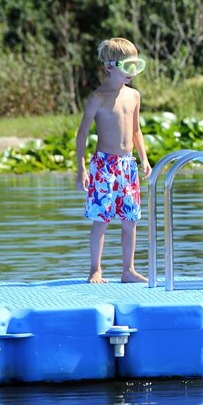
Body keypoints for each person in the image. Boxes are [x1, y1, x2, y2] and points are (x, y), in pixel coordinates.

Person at [75, 38, 152, 284]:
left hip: (127, 166)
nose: (132, 72)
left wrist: (144, 159)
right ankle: (95, 269)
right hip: (104, 166)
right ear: (109, 66)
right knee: (101, 219)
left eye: (135, 66)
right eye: (126, 66)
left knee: (130, 219)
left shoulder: (134, 96)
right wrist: (81, 168)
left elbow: (136, 130)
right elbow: (82, 133)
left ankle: (128, 270)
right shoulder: (98, 97)